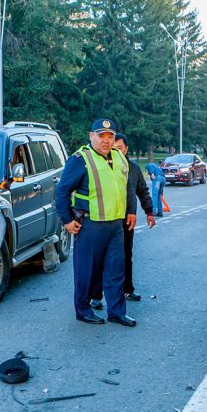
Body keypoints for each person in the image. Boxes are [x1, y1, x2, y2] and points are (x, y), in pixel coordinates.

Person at [54, 118, 138, 327]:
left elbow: (126, 187)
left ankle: (117, 311)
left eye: (110, 136)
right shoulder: (80, 159)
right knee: (86, 270)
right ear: (91, 136)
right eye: (101, 136)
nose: (106, 141)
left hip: (115, 226)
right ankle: (83, 310)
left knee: (115, 270)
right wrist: (66, 220)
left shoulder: (119, 157)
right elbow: (62, 191)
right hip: (90, 225)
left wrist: (130, 211)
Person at [91, 133, 155, 309]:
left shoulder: (132, 169)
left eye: (119, 148)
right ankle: (95, 295)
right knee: (100, 257)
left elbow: (142, 191)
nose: (115, 151)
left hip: (127, 220)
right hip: (105, 220)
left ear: (126, 149)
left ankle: (127, 289)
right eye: (113, 148)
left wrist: (149, 211)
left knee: (126, 255)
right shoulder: (101, 166)